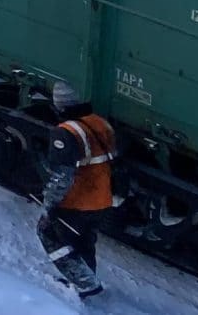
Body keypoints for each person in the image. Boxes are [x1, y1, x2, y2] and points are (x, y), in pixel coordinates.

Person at [36, 81, 120, 299]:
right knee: (84, 240)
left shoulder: (66, 132)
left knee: (48, 233)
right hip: (103, 199)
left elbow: (63, 176)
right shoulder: (100, 123)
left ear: (60, 106)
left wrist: (49, 204)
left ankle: (84, 283)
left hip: (78, 201)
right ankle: (87, 279)